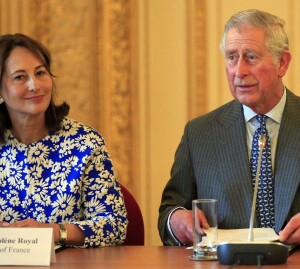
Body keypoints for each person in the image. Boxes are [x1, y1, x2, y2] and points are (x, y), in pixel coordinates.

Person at [158, 9, 300, 246]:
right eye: (232, 57)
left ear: (282, 63)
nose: (239, 71)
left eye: (251, 57)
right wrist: (177, 220)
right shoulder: (200, 134)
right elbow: (170, 211)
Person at [0, 33, 128, 247]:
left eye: (40, 73)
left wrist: (55, 232)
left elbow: (114, 226)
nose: (35, 85)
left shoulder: (85, 143)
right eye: (20, 77)